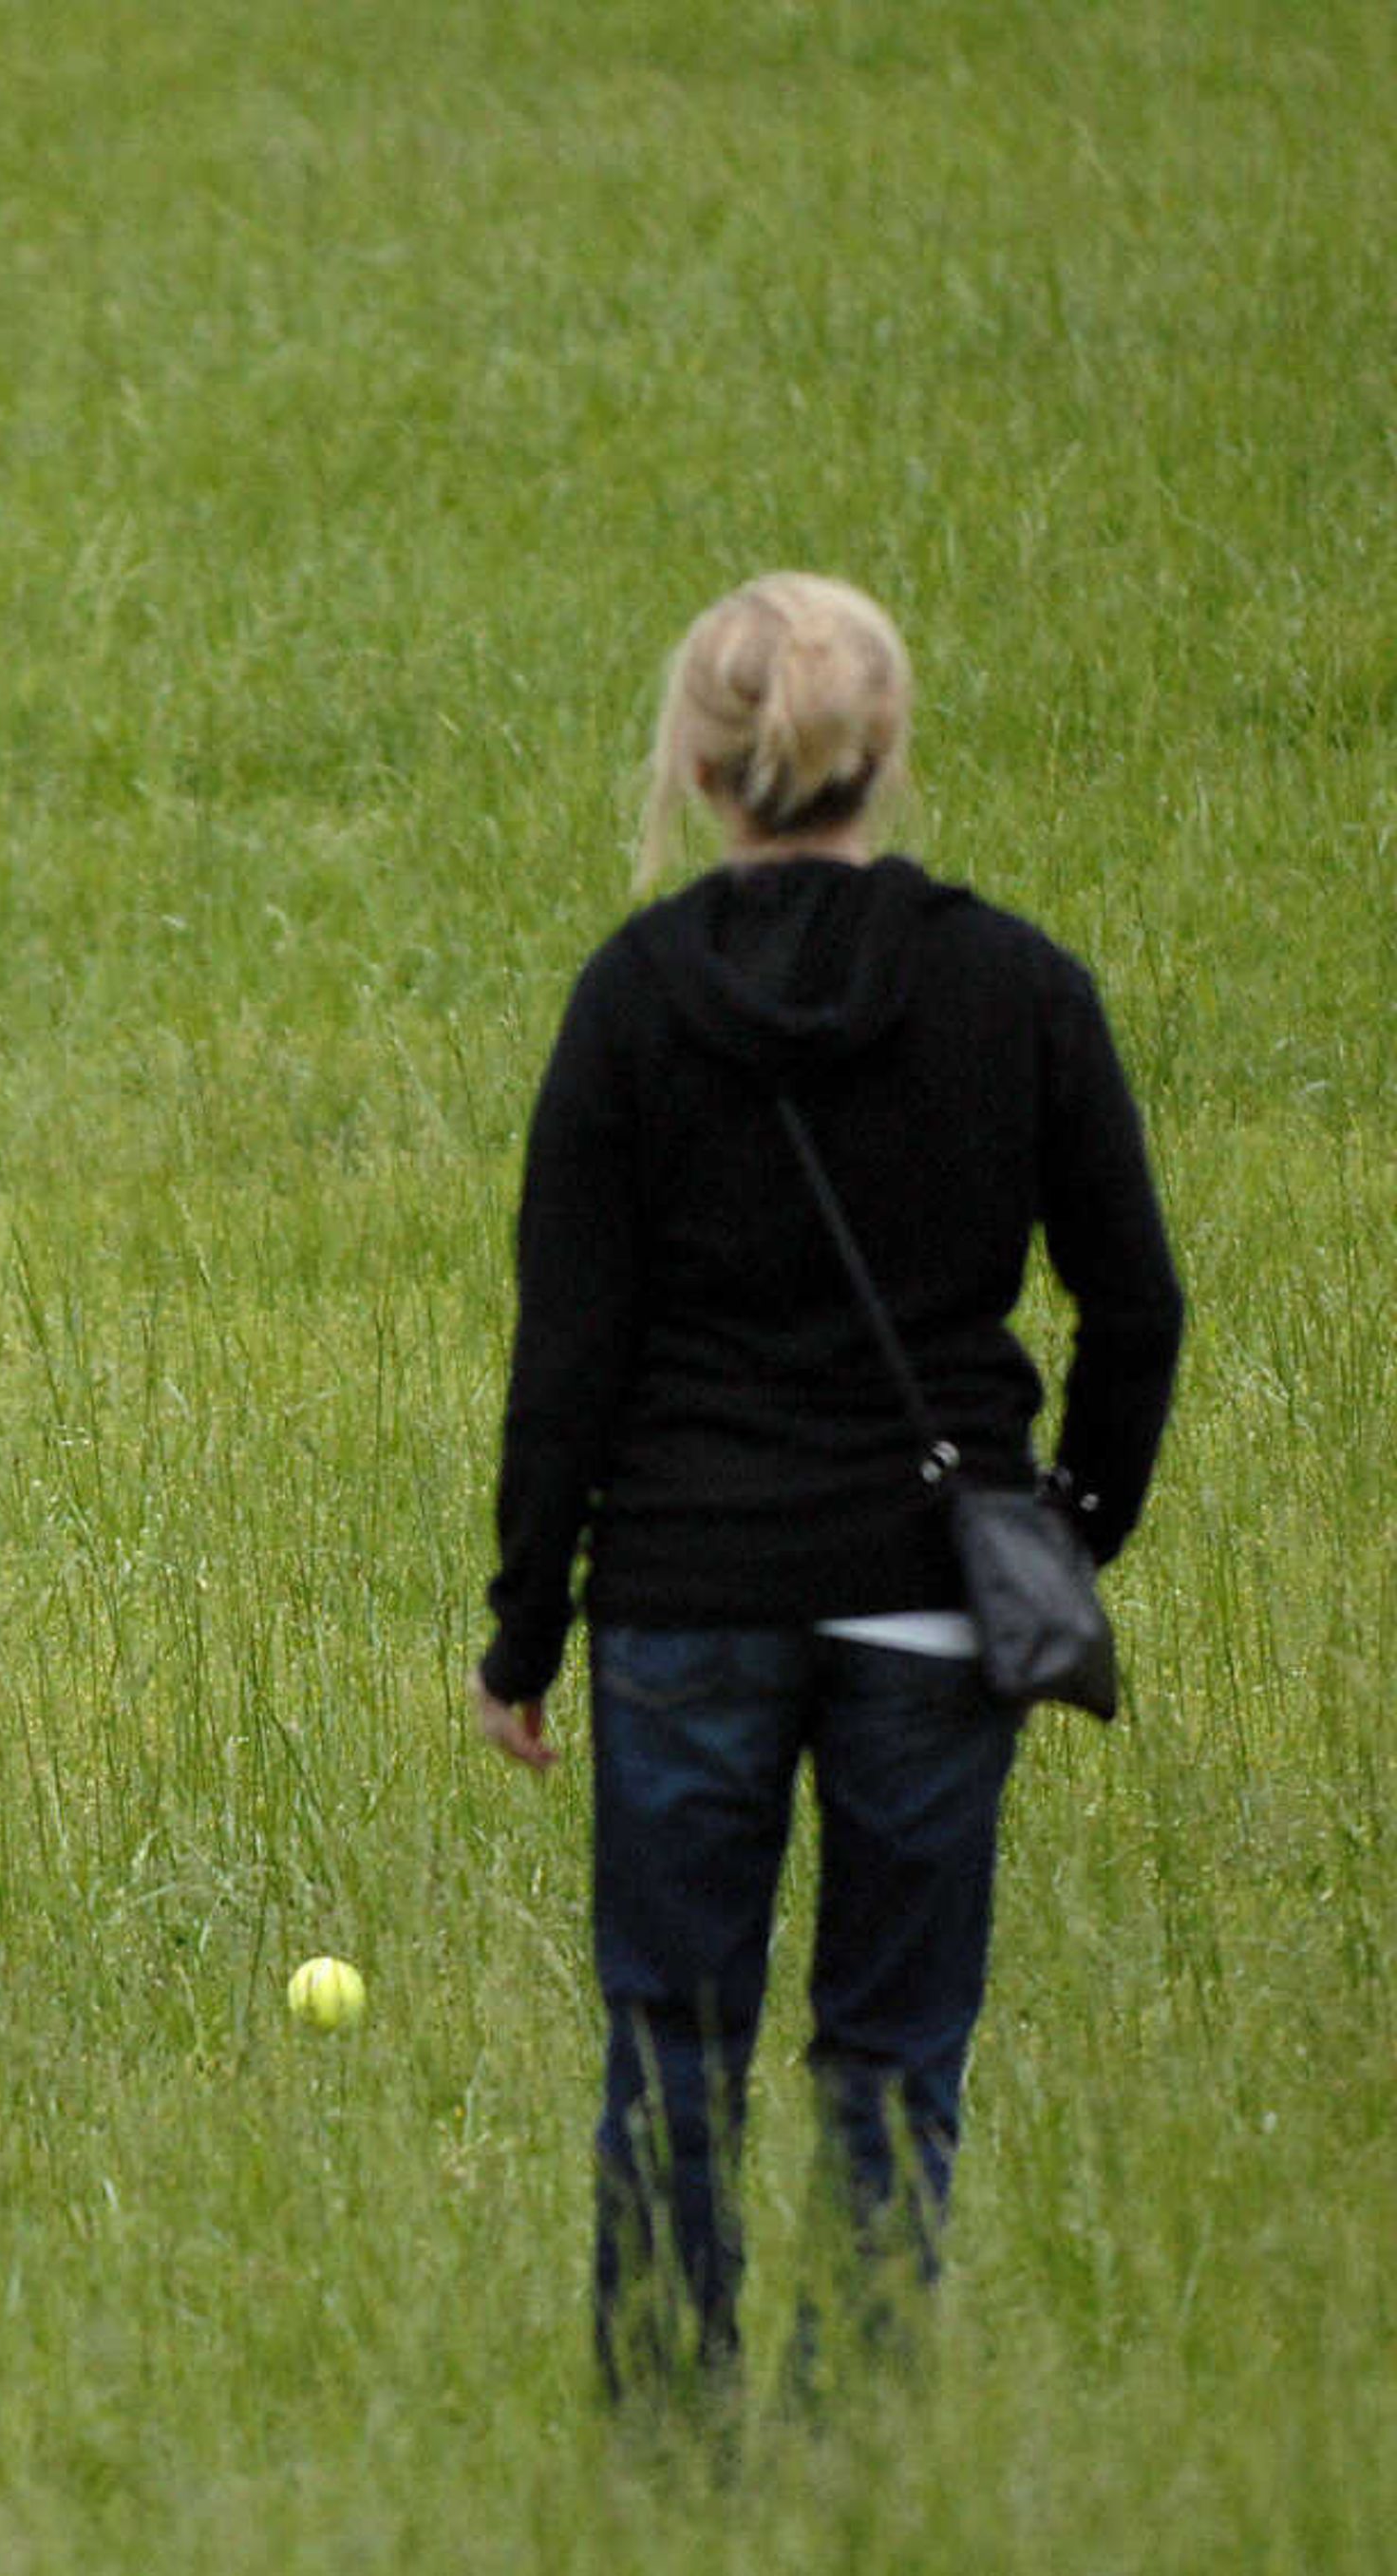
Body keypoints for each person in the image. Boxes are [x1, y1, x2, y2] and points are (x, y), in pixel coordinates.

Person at [471, 573, 1184, 2403]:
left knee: (675, 2048)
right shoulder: (1018, 987)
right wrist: (1066, 1531)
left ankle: (665, 2450)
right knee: (892, 2052)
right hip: (936, 1591)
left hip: (685, 1597)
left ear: (700, 769)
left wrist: (524, 1631)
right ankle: (859, 2436)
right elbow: (1138, 1304)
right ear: (886, 750)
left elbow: (569, 1357)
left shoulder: (631, 1003)